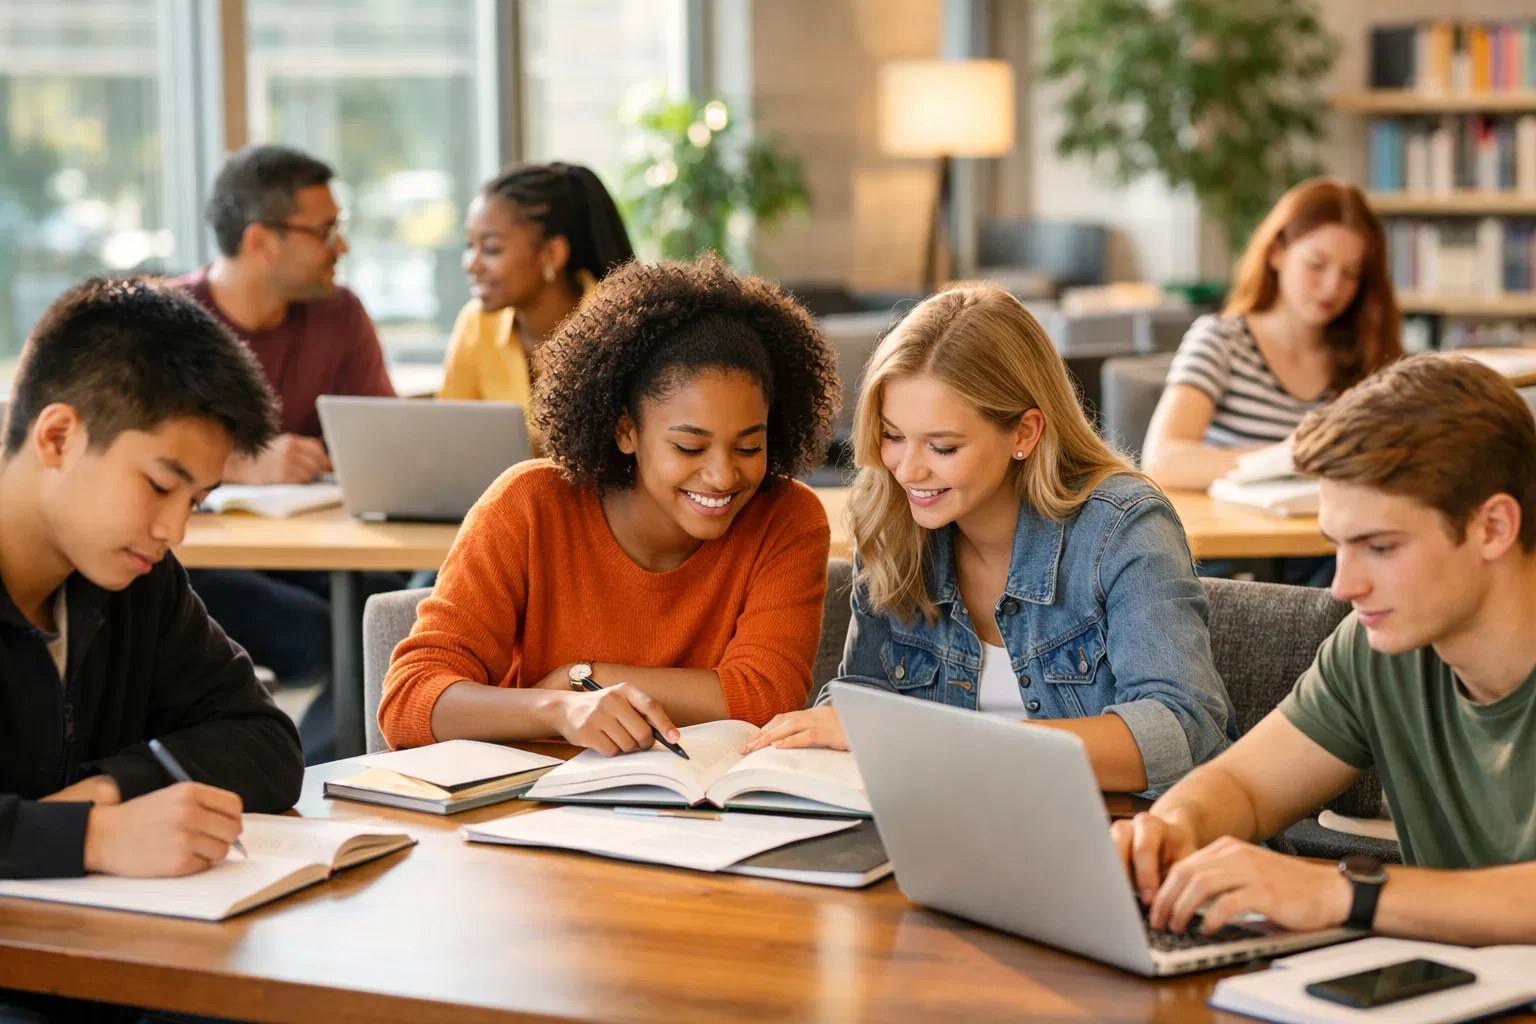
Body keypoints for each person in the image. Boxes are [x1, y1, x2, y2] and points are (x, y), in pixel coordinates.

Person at [742, 286, 1236, 796]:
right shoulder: (893, 520)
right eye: (893, 436)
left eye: (942, 446)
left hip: (1133, 836)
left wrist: (939, 741)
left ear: (1024, 433)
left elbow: (1180, 732)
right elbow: (866, 700)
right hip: (959, 829)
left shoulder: (1122, 529)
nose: (907, 470)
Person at [1114, 355, 1536, 945]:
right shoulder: (1376, 649)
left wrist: (1340, 894)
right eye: (1337, 545)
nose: (1343, 586)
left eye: (1380, 547)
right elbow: (1244, 788)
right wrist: (1169, 828)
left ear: (1493, 527)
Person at [378, 255, 841, 752]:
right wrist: (555, 708)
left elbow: (765, 696)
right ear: (626, 431)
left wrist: (580, 678)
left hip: (699, 811)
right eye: (689, 447)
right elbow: (409, 702)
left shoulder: (786, 517)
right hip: (529, 810)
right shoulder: (530, 505)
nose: (723, 474)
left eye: (749, 447)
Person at [0, 278, 303, 1020]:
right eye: (161, 485)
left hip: (102, 960)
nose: (174, 529)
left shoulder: (137, 577)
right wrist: (88, 837)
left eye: (194, 501)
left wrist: (109, 789)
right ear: (58, 437)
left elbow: (264, 743)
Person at [170, 144, 405, 764]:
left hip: (314, 549)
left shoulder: (341, 315)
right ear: (261, 241)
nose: (341, 246)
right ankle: (313, 778)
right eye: (325, 230)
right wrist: (238, 463)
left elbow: (380, 440)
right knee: (334, 635)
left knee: (398, 609)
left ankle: (326, 774)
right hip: (198, 560)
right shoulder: (169, 323)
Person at [1142, 178, 1401, 587]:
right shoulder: (1221, 339)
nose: (1333, 287)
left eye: (1351, 274)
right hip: (1243, 566)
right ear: (1278, 252)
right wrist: (1288, 457)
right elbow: (1162, 460)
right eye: (1316, 265)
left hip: (1336, 552)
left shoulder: (1364, 355)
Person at [440, 161, 634, 406]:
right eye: (470, 245)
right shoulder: (476, 325)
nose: (470, 264)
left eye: (491, 249)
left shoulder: (618, 328)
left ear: (551, 255)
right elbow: (450, 431)